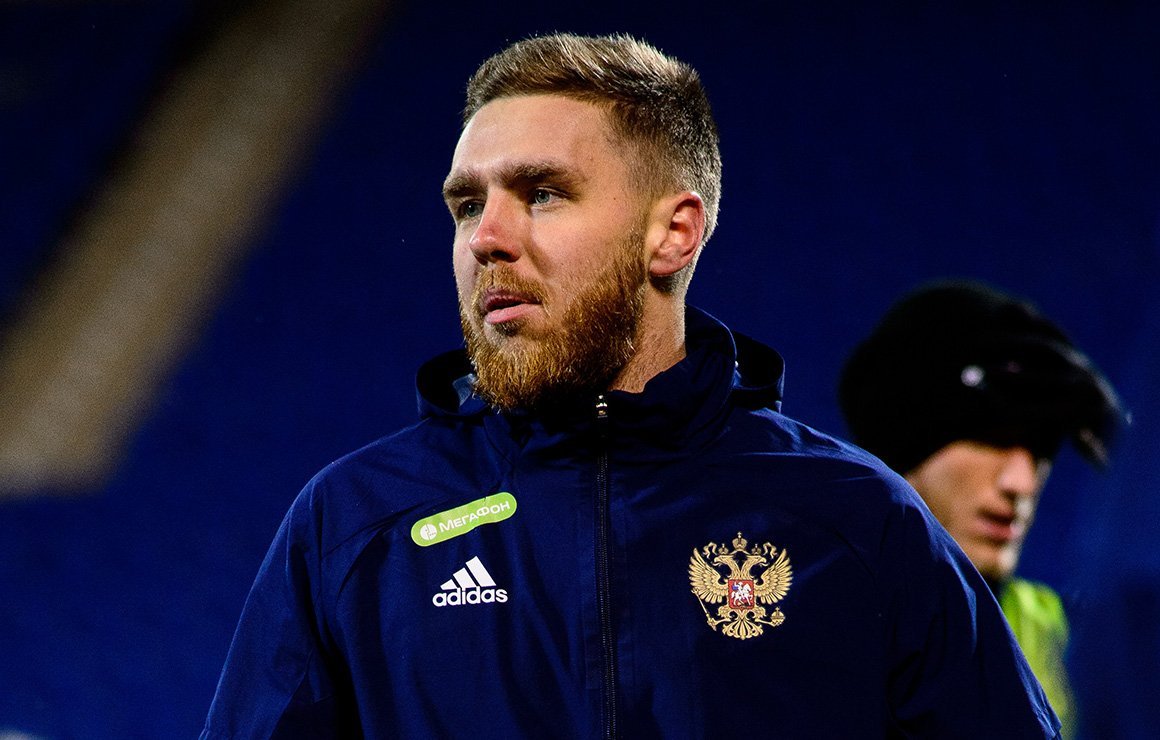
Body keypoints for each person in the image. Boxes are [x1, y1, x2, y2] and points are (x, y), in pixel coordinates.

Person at [202, 34, 1059, 738]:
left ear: (674, 234)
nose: (487, 237)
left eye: (542, 193)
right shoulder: (356, 527)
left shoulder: (855, 520)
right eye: (467, 206)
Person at [839, 279, 1125, 737]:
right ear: (901, 450)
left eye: (1042, 448)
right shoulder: (799, 621)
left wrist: (1141, 469)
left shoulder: (1075, 644)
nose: (1021, 483)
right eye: (993, 438)